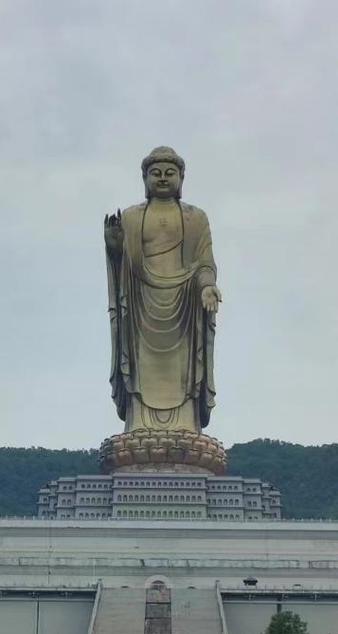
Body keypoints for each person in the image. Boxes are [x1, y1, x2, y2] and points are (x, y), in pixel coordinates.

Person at [104, 146, 221, 434]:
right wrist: (115, 247)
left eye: (170, 173)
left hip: (185, 308)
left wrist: (207, 286)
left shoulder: (196, 217)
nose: (163, 179)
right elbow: (124, 266)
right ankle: (139, 423)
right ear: (145, 179)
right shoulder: (131, 216)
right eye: (156, 173)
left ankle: (186, 423)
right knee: (141, 365)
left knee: (183, 368)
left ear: (182, 178)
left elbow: (205, 262)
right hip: (141, 305)